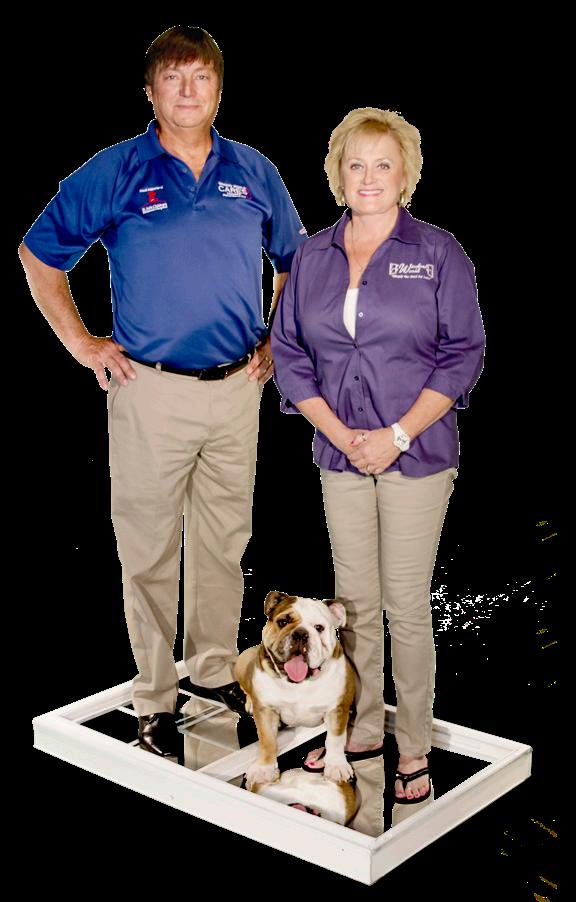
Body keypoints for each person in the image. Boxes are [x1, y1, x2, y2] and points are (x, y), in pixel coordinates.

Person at [18, 25, 307, 758]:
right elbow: (39, 253)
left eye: (201, 77)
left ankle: (210, 673)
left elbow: (295, 263)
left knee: (222, 544)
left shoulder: (254, 171)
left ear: (219, 90)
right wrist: (83, 344)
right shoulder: (117, 170)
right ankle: (153, 698)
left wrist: (278, 339)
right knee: (148, 549)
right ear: (150, 91)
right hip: (149, 391)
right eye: (173, 77)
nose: (187, 90)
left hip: (236, 389)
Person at [270, 108, 485, 804]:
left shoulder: (440, 253)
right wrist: (341, 435)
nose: (369, 176)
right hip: (339, 455)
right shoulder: (312, 257)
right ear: (338, 174)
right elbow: (290, 355)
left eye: (383, 164)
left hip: (417, 454)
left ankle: (413, 746)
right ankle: (361, 729)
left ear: (405, 175)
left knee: (405, 604)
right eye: (355, 163)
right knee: (352, 604)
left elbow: (463, 353)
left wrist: (395, 434)